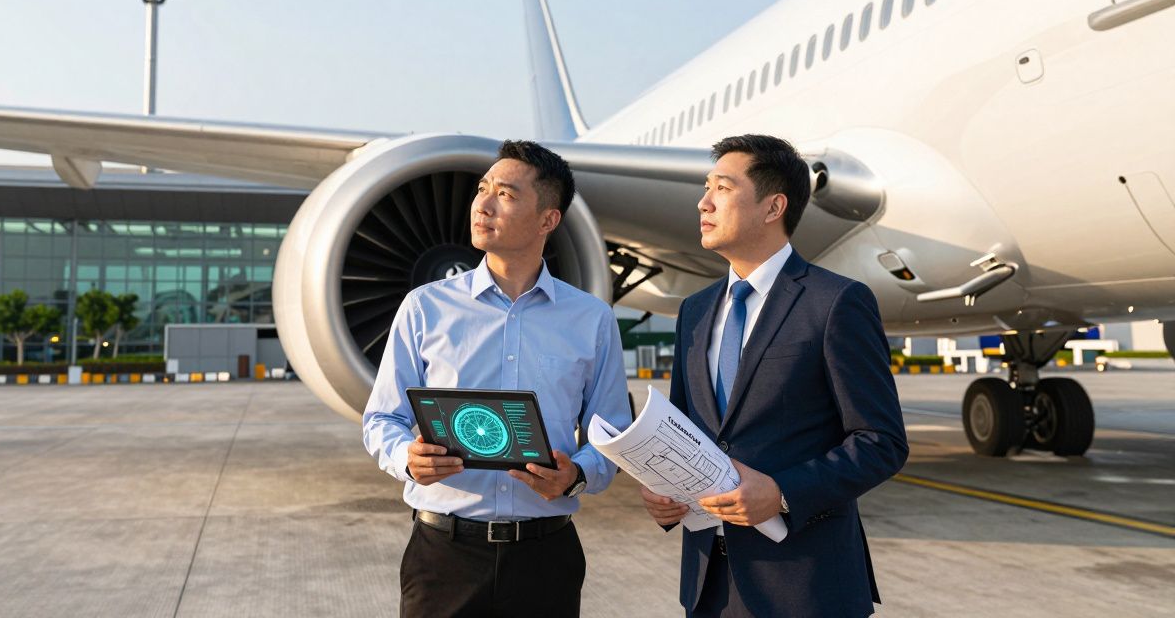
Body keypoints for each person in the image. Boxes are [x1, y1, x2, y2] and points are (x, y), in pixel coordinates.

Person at [640, 134, 908, 618]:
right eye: (706, 187)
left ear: (773, 206)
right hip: (707, 587)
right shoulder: (694, 312)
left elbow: (881, 441)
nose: (703, 202)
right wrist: (663, 489)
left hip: (806, 588)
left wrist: (783, 492)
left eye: (721, 187)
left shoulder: (835, 302)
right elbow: (682, 431)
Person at [363, 139, 632, 618]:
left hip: (546, 558)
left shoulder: (591, 320)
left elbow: (610, 433)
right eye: (482, 189)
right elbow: (382, 417)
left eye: (505, 195)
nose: (482, 204)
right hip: (444, 554)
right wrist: (408, 458)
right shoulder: (425, 307)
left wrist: (575, 477)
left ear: (548, 219)